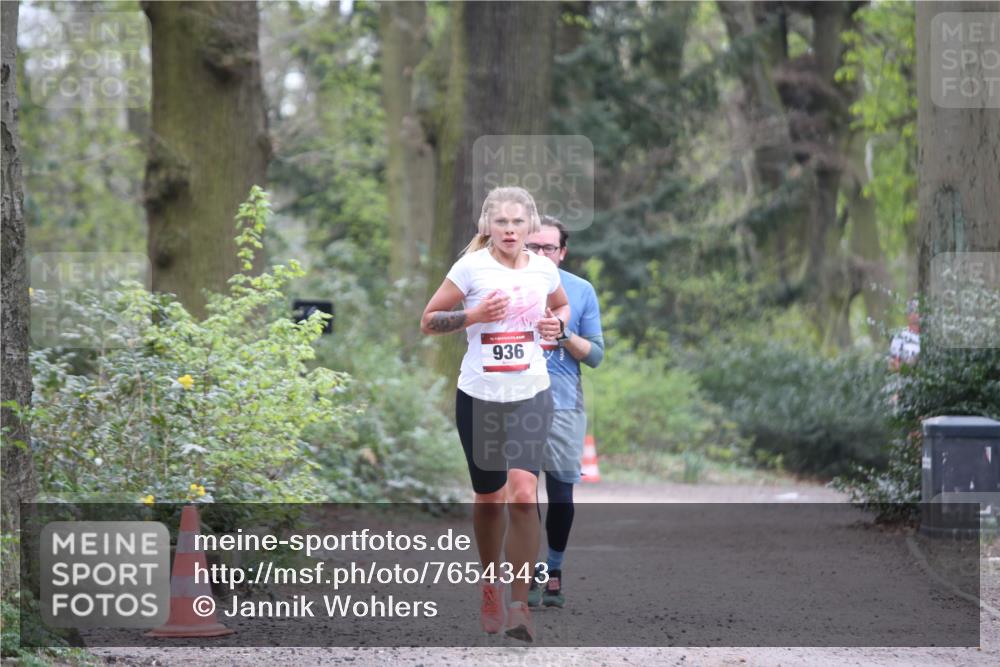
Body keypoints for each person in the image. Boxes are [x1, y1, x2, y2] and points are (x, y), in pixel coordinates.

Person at [420, 186, 570, 642]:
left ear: (530, 226)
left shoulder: (544, 269)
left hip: (531, 393)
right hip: (481, 394)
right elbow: (429, 320)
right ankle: (491, 582)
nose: (509, 230)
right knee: (491, 498)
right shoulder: (471, 268)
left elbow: (561, 306)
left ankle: (520, 604)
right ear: (488, 226)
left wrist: (556, 325)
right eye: (501, 222)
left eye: (518, 222)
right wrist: (475, 313)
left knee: (524, 495)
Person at [523, 216, 604, 609]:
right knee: (520, 494)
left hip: (563, 403)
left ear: (562, 252)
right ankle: (527, 573)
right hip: (513, 400)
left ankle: (553, 569)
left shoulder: (580, 290)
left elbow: (598, 356)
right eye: (532, 247)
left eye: (548, 248)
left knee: (559, 493)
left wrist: (564, 333)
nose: (540, 254)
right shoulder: (508, 285)